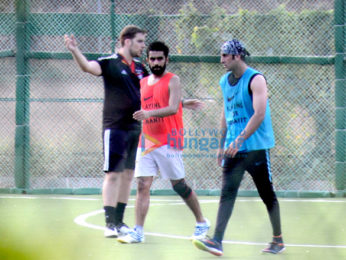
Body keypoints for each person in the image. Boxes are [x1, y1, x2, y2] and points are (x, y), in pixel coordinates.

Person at [192, 39, 285, 256]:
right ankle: (217, 241)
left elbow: (259, 114)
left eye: (225, 55)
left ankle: (278, 239)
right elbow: (226, 113)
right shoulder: (225, 81)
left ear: (237, 56)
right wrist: (221, 144)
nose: (221, 59)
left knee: (266, 194)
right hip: (233, 149)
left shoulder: (256, 79)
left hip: (255, 148)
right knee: (227, 193)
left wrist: (239, 140)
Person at [117, 41, 210, 244]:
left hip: (171, 139)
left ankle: (201, 222)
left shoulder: (173, 80)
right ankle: (138, 231)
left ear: (167, 60)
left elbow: (171, 107)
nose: (156, 62)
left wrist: (175, 105)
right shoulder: (142, 83)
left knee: (179, 186)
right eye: (152, 59)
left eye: (160, 58)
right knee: (143, 184)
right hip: (147, 140)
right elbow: (148, 103)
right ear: (148, 60)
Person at [64, 25, 149, 238]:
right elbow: (87, 67)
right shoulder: (109, 62)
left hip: (135, 128)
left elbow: (155, 90)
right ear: (127, 41)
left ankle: (120, 222)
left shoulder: (141, 67)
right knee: (113, 175)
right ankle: (109, 224)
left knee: (128, 175)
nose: (143, 45)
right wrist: (75, 50)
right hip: (115, 128)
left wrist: (180, 102)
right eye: (139, 41)